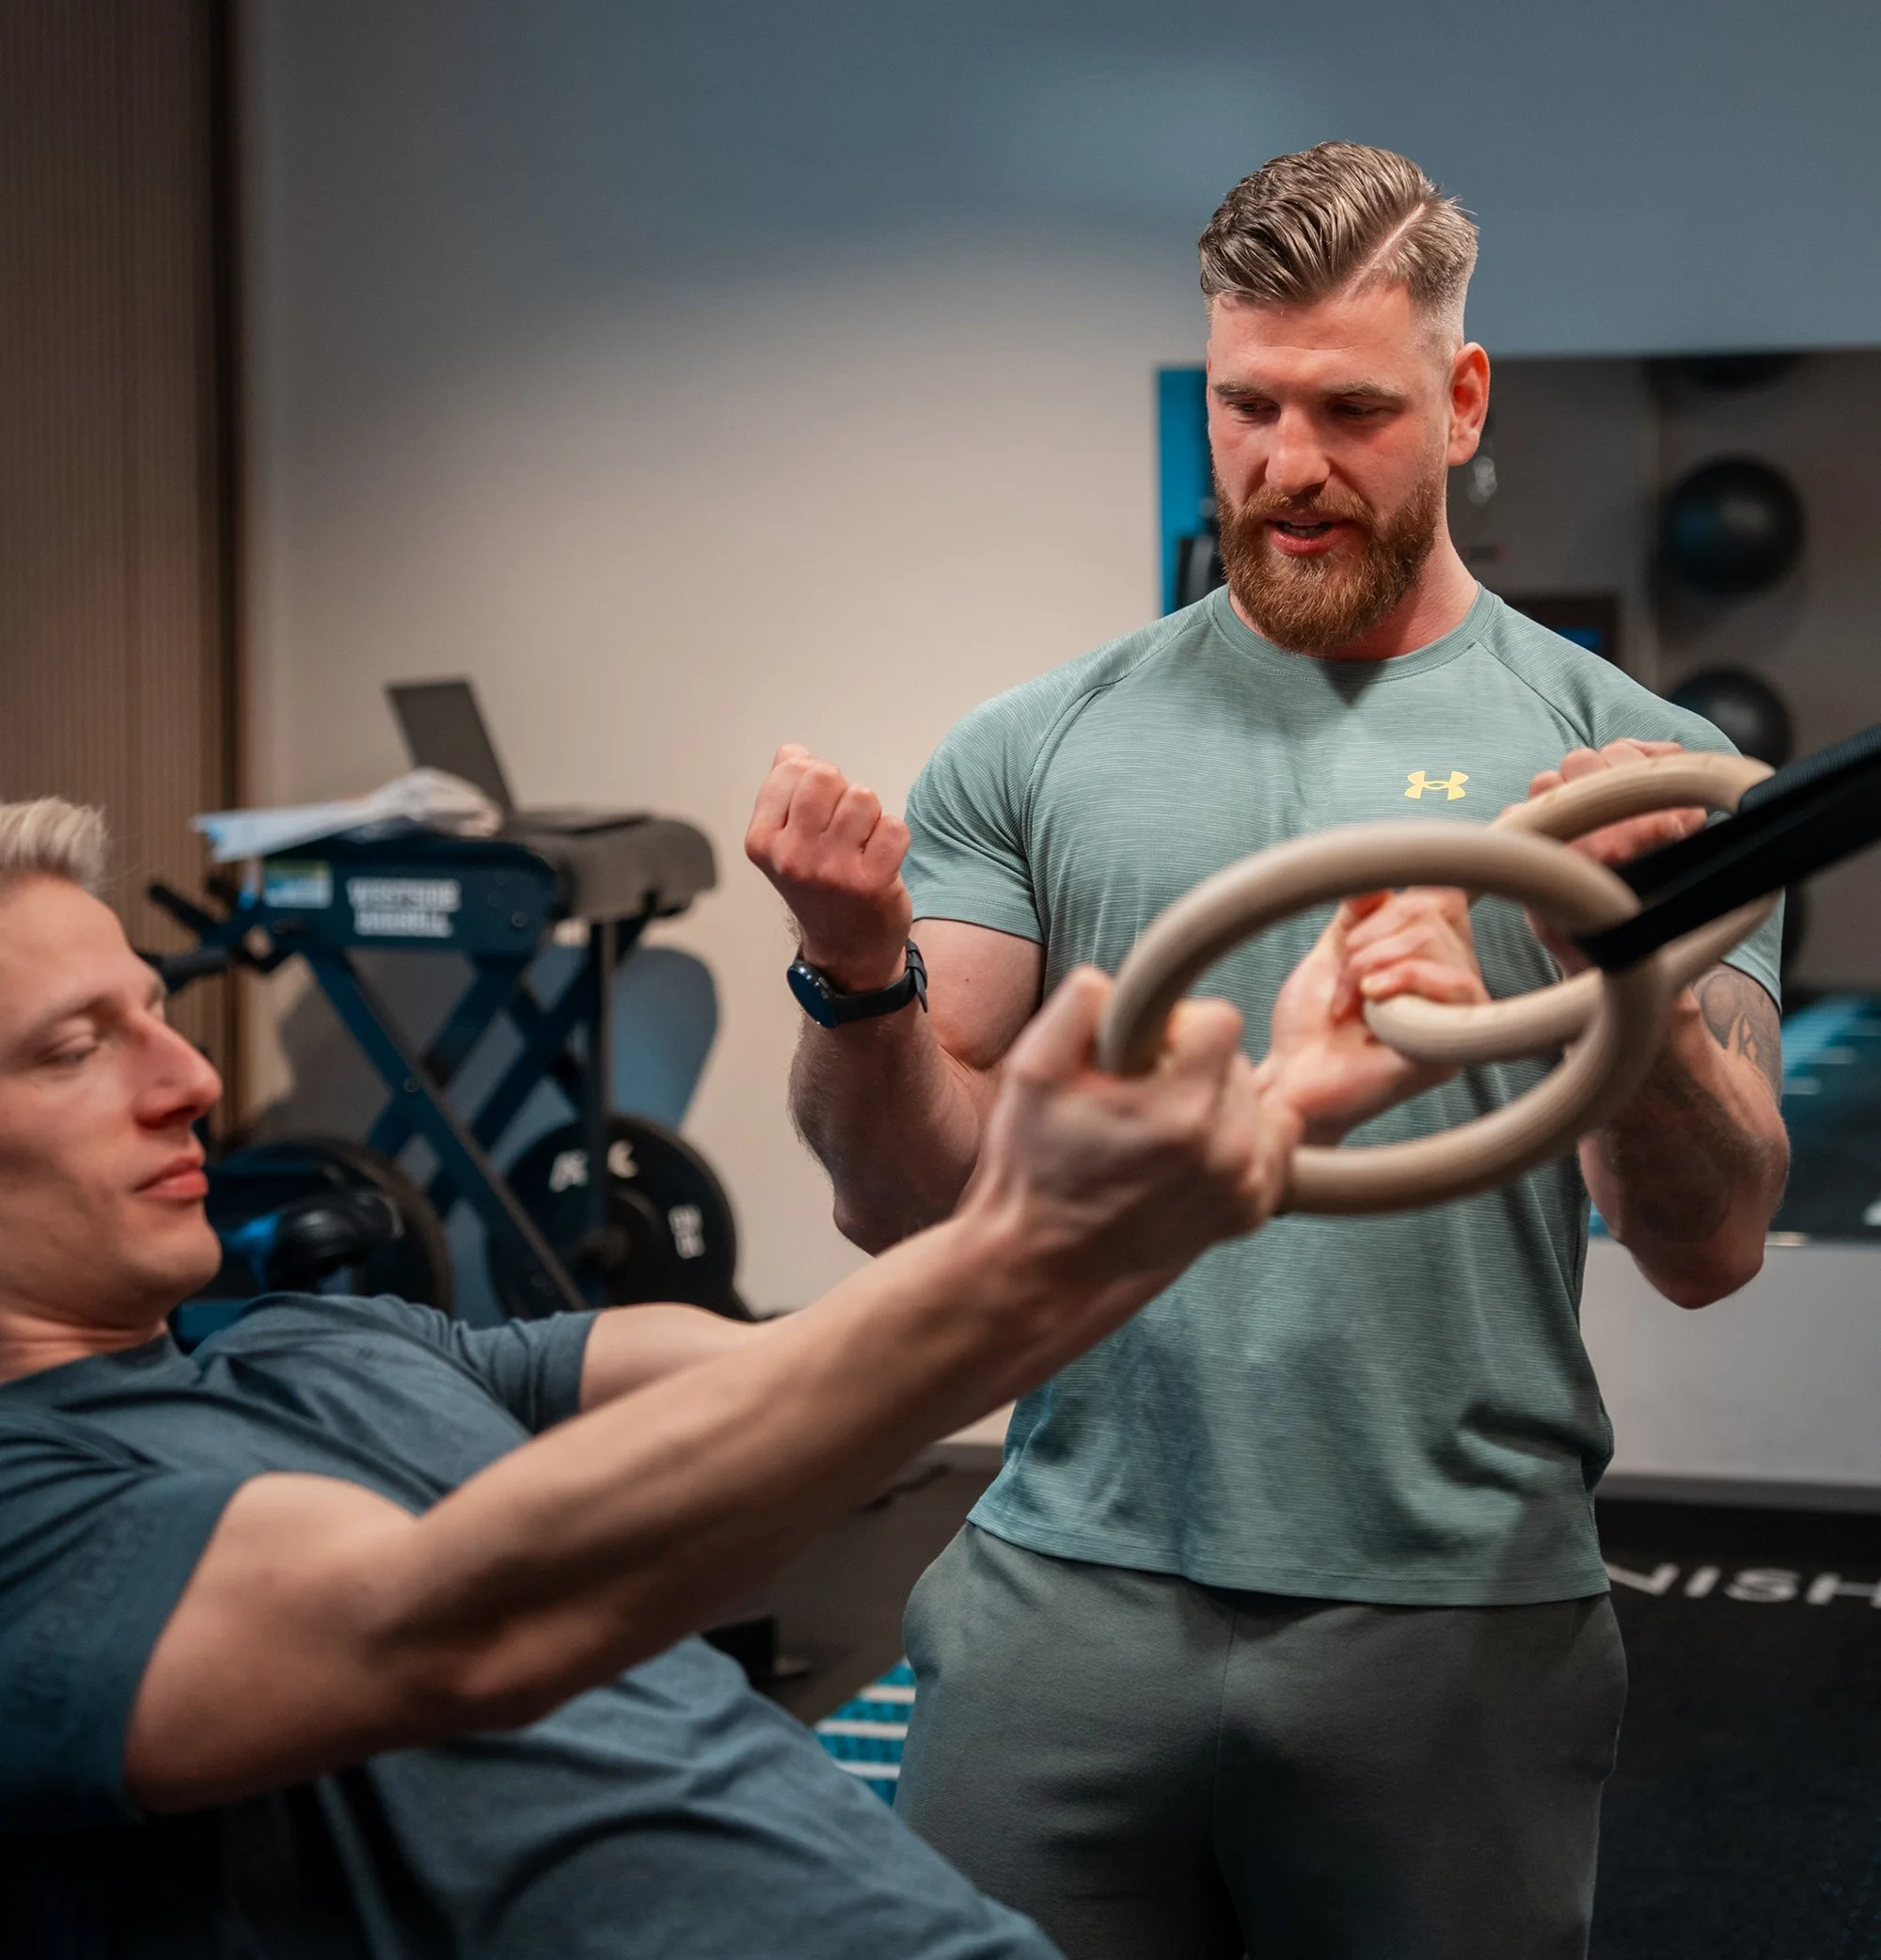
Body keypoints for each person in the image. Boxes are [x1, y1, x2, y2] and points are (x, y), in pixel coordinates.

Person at [745, 143, 1790, 1960]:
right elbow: (908, 1205)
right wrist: (854, 972)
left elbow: (1709, 1244)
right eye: (1250, 406)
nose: (1289, 466)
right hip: (1066, 1578)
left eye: (1352, 411)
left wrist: (1607, 966)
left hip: (1458, 1605)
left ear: (1462, 403)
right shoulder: (1038, 748)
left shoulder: (1635, 768)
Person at [0, 793, 1429, 1960]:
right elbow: (452, 1621)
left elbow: (797, 1379)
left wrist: (1260, 1118)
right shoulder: (27, 1505)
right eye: (73, 1048)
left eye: (157, 1009)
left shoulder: (317, 1348)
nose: (190, 1076)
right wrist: (1024, 1251)